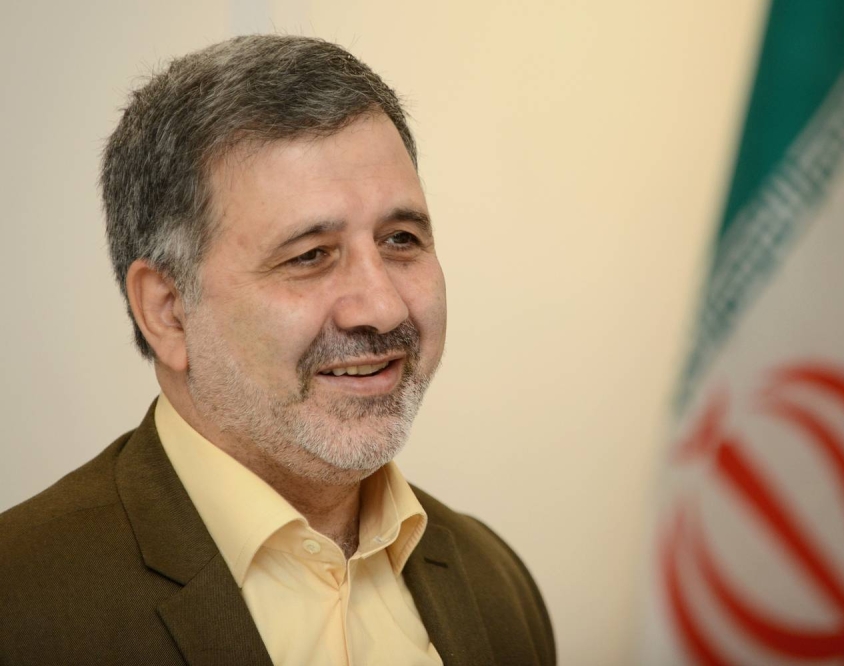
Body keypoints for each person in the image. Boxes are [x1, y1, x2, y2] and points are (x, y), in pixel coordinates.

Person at [0, 35, 554, 666]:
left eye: (400, 239)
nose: (383, 308)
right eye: (310, 256)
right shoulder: (21, 606)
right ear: (167, 310)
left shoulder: (496, 581)